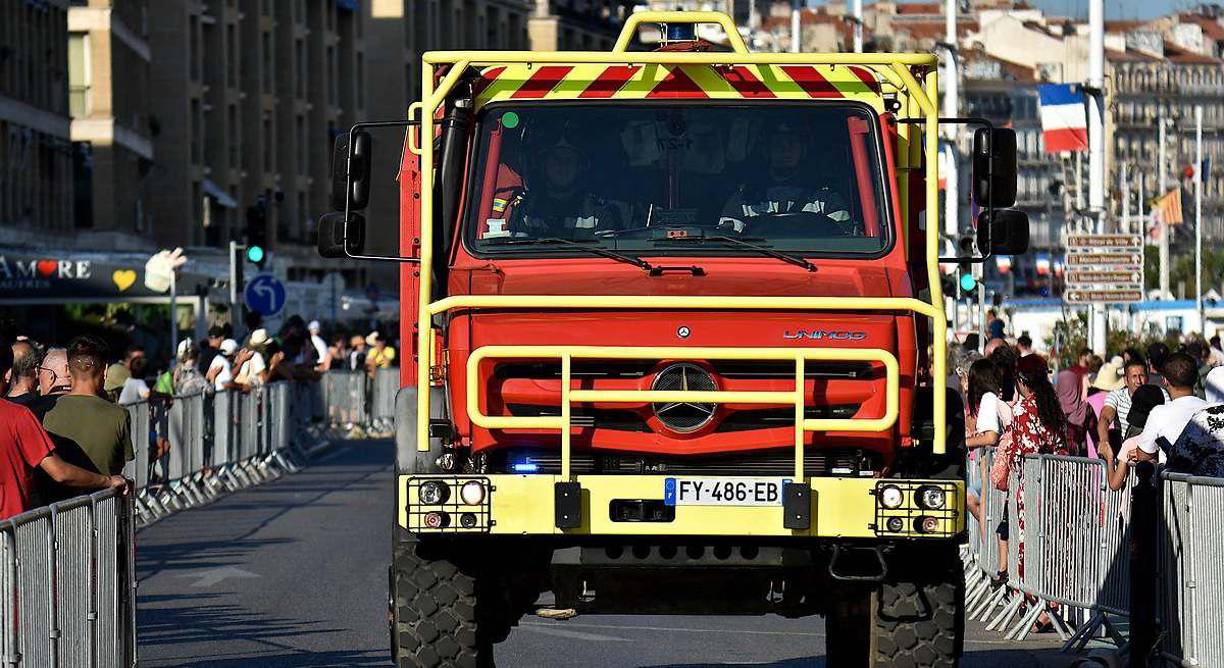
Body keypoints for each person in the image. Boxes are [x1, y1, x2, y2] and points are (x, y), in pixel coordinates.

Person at [995, 354, 1070, 586]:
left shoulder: (1022, 409)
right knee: (1053, 545)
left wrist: (1010, 456)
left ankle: (1032, 598)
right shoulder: (1053, 407)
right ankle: (1053, 598)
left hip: (1032, 489)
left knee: (1029, 544)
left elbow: (1027, 450)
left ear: (1021, 380)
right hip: (1058, 484)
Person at [0, 398, 126, 519]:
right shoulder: (17, 415)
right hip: (13, 525)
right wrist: (107, 481)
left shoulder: (17, 415)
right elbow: (60, 472)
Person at [719, 122, 853, 236]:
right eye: (778, 143)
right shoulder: (745, 200)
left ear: (803, 149)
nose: (785, 149)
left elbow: (845, 244)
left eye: (792, 143)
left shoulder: (826, 199)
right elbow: (728, 245)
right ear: (766, 150)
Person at [41, 336, 135, 481]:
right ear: (105, 370)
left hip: (57, 495)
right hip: (105, 494)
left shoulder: (46, 412)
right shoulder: (119, 415)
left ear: (67, 369)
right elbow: (121, 461)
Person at [507, 135, 622, 237]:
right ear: (544, 165)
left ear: (579, 167)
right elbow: (516, 252)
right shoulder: (526, 211)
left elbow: (608, 253)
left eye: (569, 160)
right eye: (556, 159)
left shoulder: (598, 212)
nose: (562, 165)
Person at [963, 359, 1011, 538]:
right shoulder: (993, 398)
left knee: (980, 504)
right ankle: (989, 542)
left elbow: (991, 437)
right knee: (978, 502)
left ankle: (988, 541)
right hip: (992, 468)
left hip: (993, 468)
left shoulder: (988, 399)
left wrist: (965, 442)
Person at [1135, 352, 1209, 463]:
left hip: (1174, 473)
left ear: (1164, 381)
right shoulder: (1211, 409)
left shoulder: (1159, 413)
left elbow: (1144, 455)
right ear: (1195, 379)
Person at [1099, 385, 1166, 491]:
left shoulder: (1129, 444)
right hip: (1160, 499)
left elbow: (1114, 484)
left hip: (1132, 499)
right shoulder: (1166, 440)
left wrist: (1110, 458)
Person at [1097, 358, 1159, 452]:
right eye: (1134, 376)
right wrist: (1104, 441)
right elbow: (1105, 417)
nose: (1138, 381)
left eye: (1141, 376)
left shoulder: (1159, 395)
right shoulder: (1116, 395)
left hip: (1153, 452)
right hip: (1127, 452)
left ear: (1147, 378)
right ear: (1126, 380)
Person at [1056, 368, 1095, 455]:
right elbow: (1095, 437)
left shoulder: (1052, 408)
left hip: (1054, 460)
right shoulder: (1085, 408)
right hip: (1079, 459)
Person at [30, 347, 71, 419]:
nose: (37, 376)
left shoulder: (30, 411)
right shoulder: (87, 405)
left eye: (40, 371)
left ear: (51, 376)